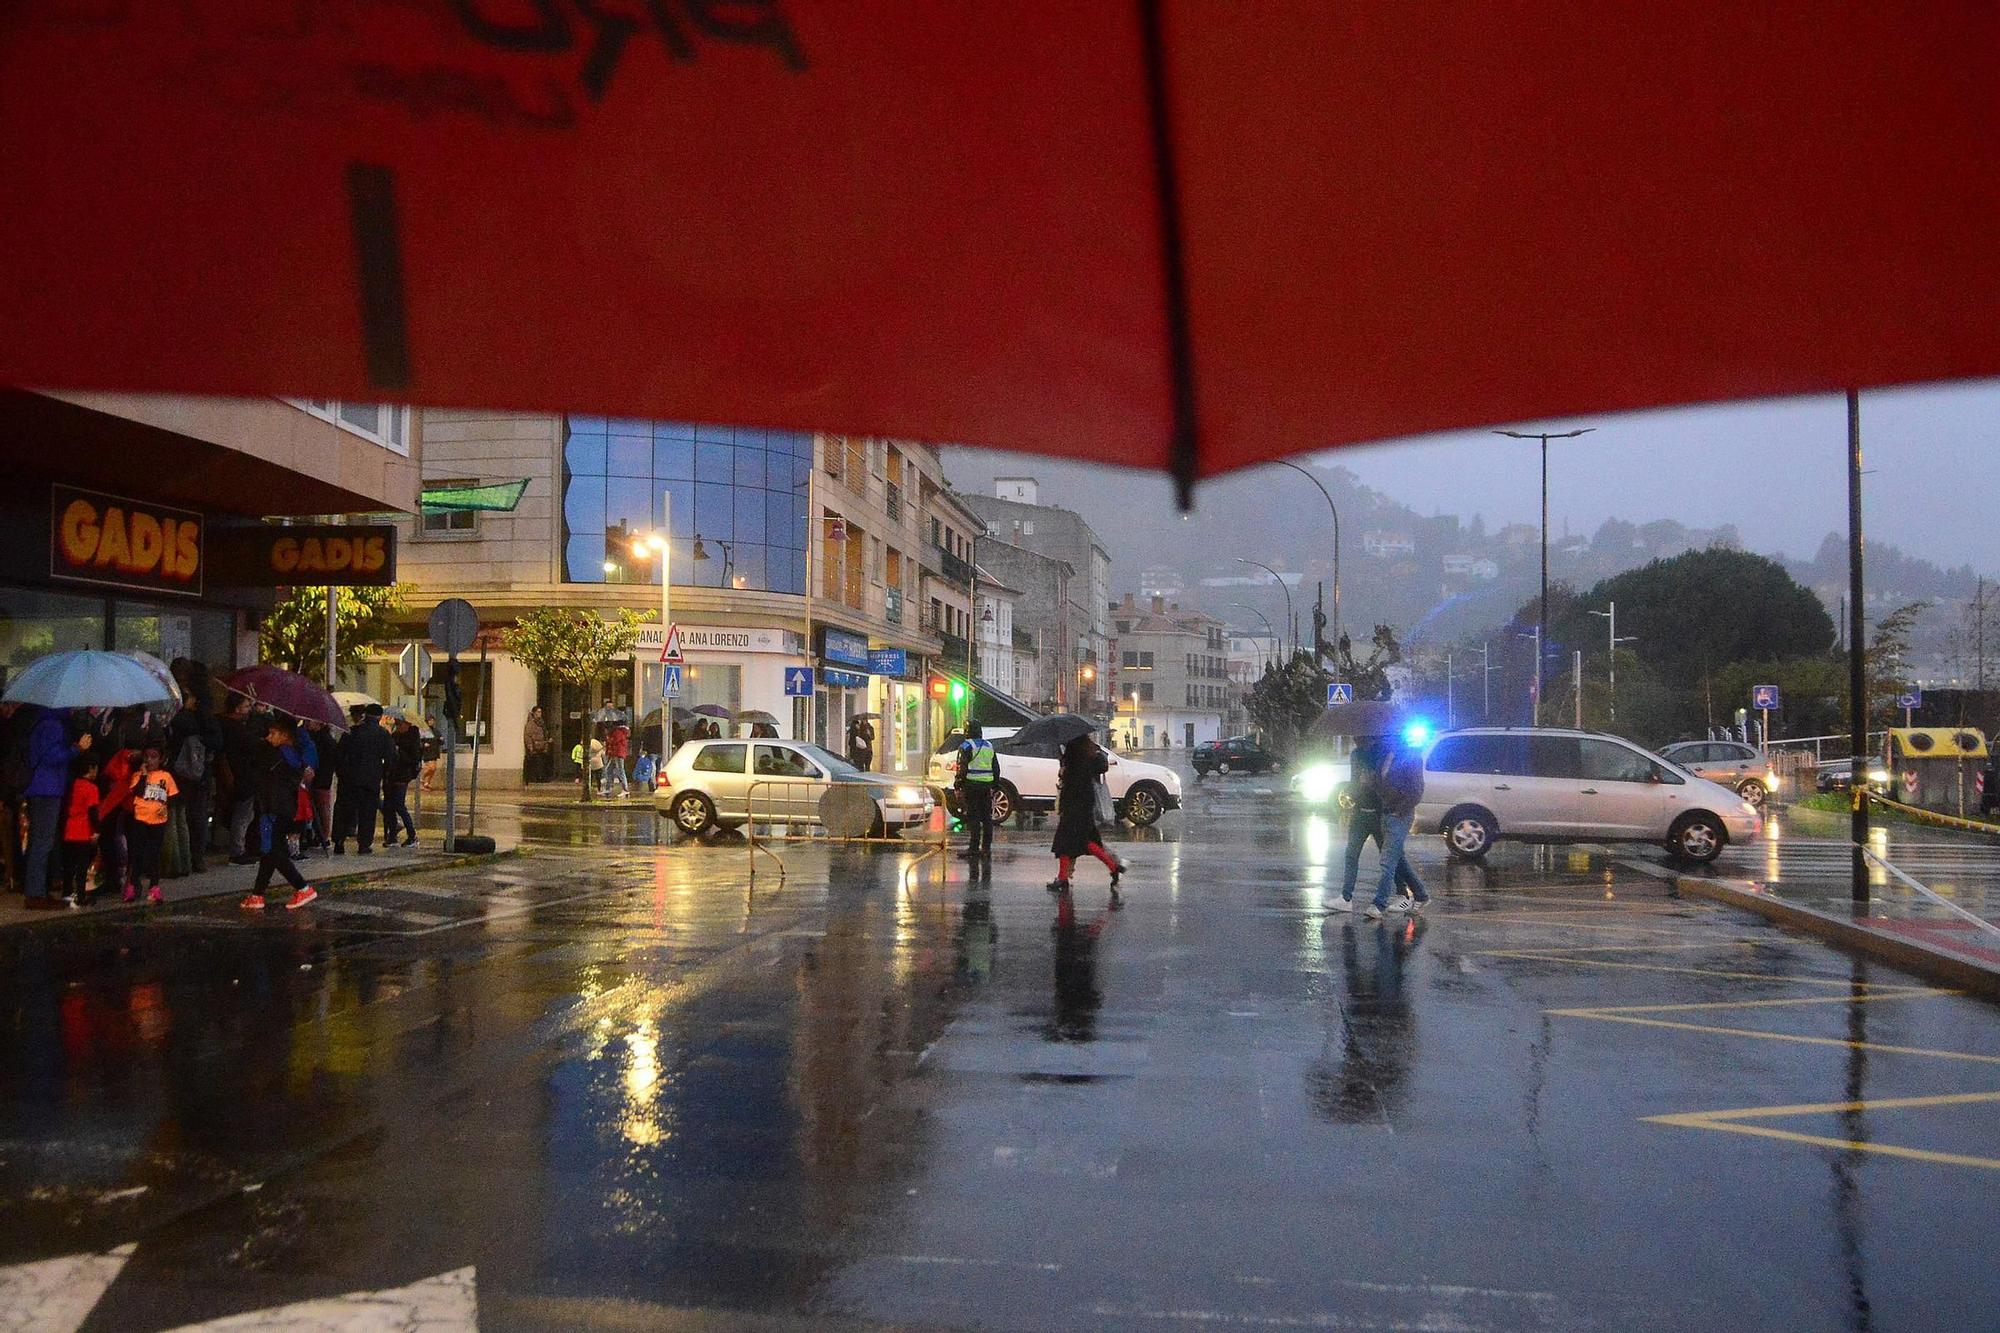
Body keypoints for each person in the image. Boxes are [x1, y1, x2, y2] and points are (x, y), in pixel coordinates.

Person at [1329, 735, 1424, 914]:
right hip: (1363, 812)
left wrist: (1397, 809)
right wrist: (1354, 792)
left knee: (1391, 859)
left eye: (1359, 736)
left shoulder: (1385, 754)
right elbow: (1357, 782)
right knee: (1354, 854)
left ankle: (1400, 895)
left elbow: (1411, 788)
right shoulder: (1358, 755)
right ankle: (1347, 897)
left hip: (1383, 813)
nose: (1355, 739)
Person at [240, 716, 316, 911]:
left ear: (284, 735)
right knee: (270, 852)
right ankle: (257, 894)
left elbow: (255, 757)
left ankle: (302, 887)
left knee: (273, 851)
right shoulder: (294, 755)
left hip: (274, 807)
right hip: (282, 807)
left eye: (273, 733)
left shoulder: (278, 755)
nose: (269, 737)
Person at [20, 706, 84, 909]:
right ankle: (36, 893)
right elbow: (52, 756)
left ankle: (36, 888)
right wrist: (76, 749)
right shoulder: (53, 725)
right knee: (43, 841)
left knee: (39, 840)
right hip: (48, 787)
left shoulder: (42, 721)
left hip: (41, 786)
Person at [1047, 732, 1125, 897]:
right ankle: (1112, 868)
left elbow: (1071, 781)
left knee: (1067, 843)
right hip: (1083, 805)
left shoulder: (1074, 758)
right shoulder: (1087, 756)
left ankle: (1063, 878)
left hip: (1074, 806)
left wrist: (1063, 771)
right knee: (1084, 842)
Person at [1364, 730, 1431, 920]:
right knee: (1397, 858)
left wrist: (1399, 810)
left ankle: (1379, 903)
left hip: (1400, 816)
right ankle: (1421, 895)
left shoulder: (1411, 757)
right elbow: (1380, 786)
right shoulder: (1384, 757)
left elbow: (1417, 790)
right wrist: (1370, 781)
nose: (1382, 740)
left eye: (1387, 736)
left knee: (1387, 861)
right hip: (1386, 814)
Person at [332, 704, 395, 854]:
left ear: (365, 715)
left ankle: (339, 842)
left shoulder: (351, 732)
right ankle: (364, 844)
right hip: (370, 780)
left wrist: (342, 773)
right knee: (367, 813)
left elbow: (339, 755)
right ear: (379, 717)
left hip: (349, 780)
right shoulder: (383, 734)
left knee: (344, 811)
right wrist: (384, 774)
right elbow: (391, 758)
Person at [124, 747, 177, 905]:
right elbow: (138, 792)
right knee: (137, 854)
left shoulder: (166, 777)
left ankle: (154, 886)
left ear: (160, 759)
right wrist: (144, 775)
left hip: (158, 821)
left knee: (154, 854)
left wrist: (164, 809)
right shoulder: (138, 776)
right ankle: (132, 885)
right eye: (147, 757)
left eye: (154, 757)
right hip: (140, 819)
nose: (150, 760)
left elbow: (172, 796)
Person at [60, 752, 102, 908]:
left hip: (69, 829)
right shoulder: (91, 788)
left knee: (69, 864)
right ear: (91, 769)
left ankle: (66, 893)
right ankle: (81, 895)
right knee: (82, 865)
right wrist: (97, 830)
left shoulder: (73, 785)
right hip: (83, 831)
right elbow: (92, 812)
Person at [955, 721, 1000, 860]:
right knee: (986, 818)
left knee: (973, 817)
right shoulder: (989, 746)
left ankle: (973, 848)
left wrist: (958, 784)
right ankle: (986, 848)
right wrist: (995, 786)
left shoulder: (966, 746)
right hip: (986, 786)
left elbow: (962, 767)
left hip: (971, 785)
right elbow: (996, 767)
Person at [382, 717, 421, 846]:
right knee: (389, 807)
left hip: (402, 776)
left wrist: (400, 751)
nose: (397, 726)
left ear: (407, 724)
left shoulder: (413, 739)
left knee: (399, 805)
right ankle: (392, 835)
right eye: (396, 723)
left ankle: (412, 835)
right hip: (391, 775)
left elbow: (413, 759)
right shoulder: (394, 736)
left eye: (399, 724)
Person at [523, 706, 551, 784]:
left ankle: (543, 776)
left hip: (543, 746)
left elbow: (545, 733)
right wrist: (530, 747)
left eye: (540, 712)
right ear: (534, 713)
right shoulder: (531, 724)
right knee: (537, 763)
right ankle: (537, 777)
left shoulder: (542, 723)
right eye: (538, 712)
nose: (540, 714)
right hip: (536, 747)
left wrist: (547, 742)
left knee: (543, 762)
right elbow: (528, 736)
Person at [602, 720, 631, 797]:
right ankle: (608, 788)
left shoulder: (618, 732)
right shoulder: (615, 732)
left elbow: (614, 741)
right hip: (614, 754)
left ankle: (625, 789)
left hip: (618, 754)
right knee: (609, 769)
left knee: (620, 770)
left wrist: (608, 738)